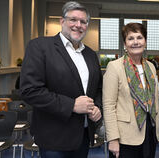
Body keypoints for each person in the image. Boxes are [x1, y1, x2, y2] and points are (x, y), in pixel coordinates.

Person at [20, 1, 102, 158]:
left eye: (83, 21)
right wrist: (71, 105)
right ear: (62, 21)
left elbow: (98, 89)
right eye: (73, 20)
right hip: (54, 138)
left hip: (83, 136)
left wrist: (97, 107)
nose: (78, 25)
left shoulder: (91, 55)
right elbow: (30, 90)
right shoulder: (40, 46)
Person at [103, 23, 159, 158]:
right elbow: (108, 105)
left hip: (149, 132)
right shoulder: (114, 67)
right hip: (125, 137)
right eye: (131, 38)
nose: (135, 42)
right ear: (125, 43)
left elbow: (154, 100)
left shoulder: (150, 66)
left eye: (139, 37)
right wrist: (113, 139)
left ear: (145, 42)